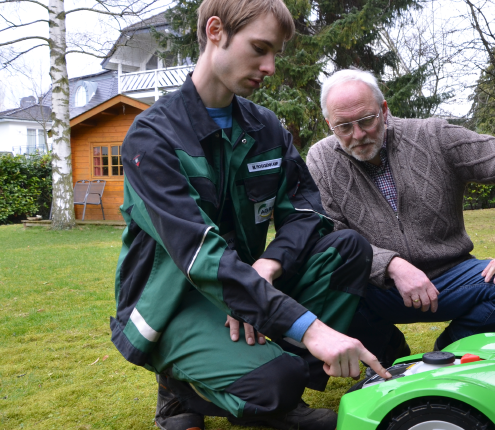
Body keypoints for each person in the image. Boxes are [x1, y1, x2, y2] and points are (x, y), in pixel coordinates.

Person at [109, 3, 389, 430]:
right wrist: (313, 332)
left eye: (275, 52)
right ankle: (179, 389)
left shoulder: (266, 129)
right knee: (279, 380)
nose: (271, 67)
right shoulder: (152, 138)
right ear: (216, 31)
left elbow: (307, 211)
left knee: (348, 248)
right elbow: (199, 255)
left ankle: (269, 373)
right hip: (175, 301)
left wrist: (269, 263)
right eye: (260, 48)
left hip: (248, 284)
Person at [306, 69, 495, 367]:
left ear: (384, 111)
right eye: (344, 126)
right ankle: (390, 361)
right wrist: (392, 265)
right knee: (319, 289)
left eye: (366, 120)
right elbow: (331, 235)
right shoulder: (320, 159)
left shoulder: (433, 135)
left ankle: (449, 353)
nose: (357, 135)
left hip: (452, 280)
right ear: (329, 123)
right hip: (376, 289)